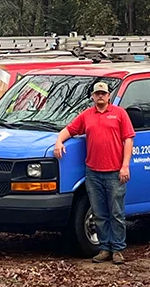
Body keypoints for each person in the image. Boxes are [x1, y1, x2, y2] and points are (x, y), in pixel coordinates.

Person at [54, 82, 134, 265]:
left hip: (115, 172)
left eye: (103, 94)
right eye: (97, 94)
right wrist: (59, 141)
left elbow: (128, 140)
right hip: (93, 173)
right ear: (93, 96)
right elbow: (69, 130)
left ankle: (118, 250)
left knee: (116, 213)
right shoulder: (86, 116)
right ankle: (104, 249)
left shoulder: (120, 114)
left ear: (108, 96)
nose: (100, 97)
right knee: (99, 213)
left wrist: (125, 166)